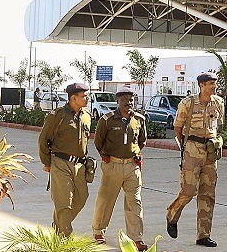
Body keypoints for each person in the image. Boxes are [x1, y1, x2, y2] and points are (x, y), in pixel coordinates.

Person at [166, 72, 225, 247]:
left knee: (208, 193)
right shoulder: (188, 103)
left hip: (211, 150)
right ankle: (172, 215)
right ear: (201, 85)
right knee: (188, 191)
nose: (213, 86)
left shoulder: (218, 102)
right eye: (210, 84)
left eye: (214, 83)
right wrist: (184, 148)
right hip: (192, 148)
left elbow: (218, 125)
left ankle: (203, 235)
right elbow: (178, 128)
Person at [91, 87, 148, 251]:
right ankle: (98, 231)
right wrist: (105, 155)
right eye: (124, 100)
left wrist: (135, 153)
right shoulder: (107, 120)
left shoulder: (139, 119)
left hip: (132, 166)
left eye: (131, 100)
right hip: (113, 165)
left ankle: (136, 238)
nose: (128, 103)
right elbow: (98, 141)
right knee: (106, 199)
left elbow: (142, 141)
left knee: (134, 202)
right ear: (118, 102)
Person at [37, 83, 92, 237]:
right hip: (60, 162)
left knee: (81, 198)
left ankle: (59, 224)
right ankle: (64, 237)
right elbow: (43, 140)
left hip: (80, 165)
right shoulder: (57, 115)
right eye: (84, 96)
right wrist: (46, 162)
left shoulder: (86, 116)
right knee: (63, 202)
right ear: (73, 98)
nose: (87, 98)